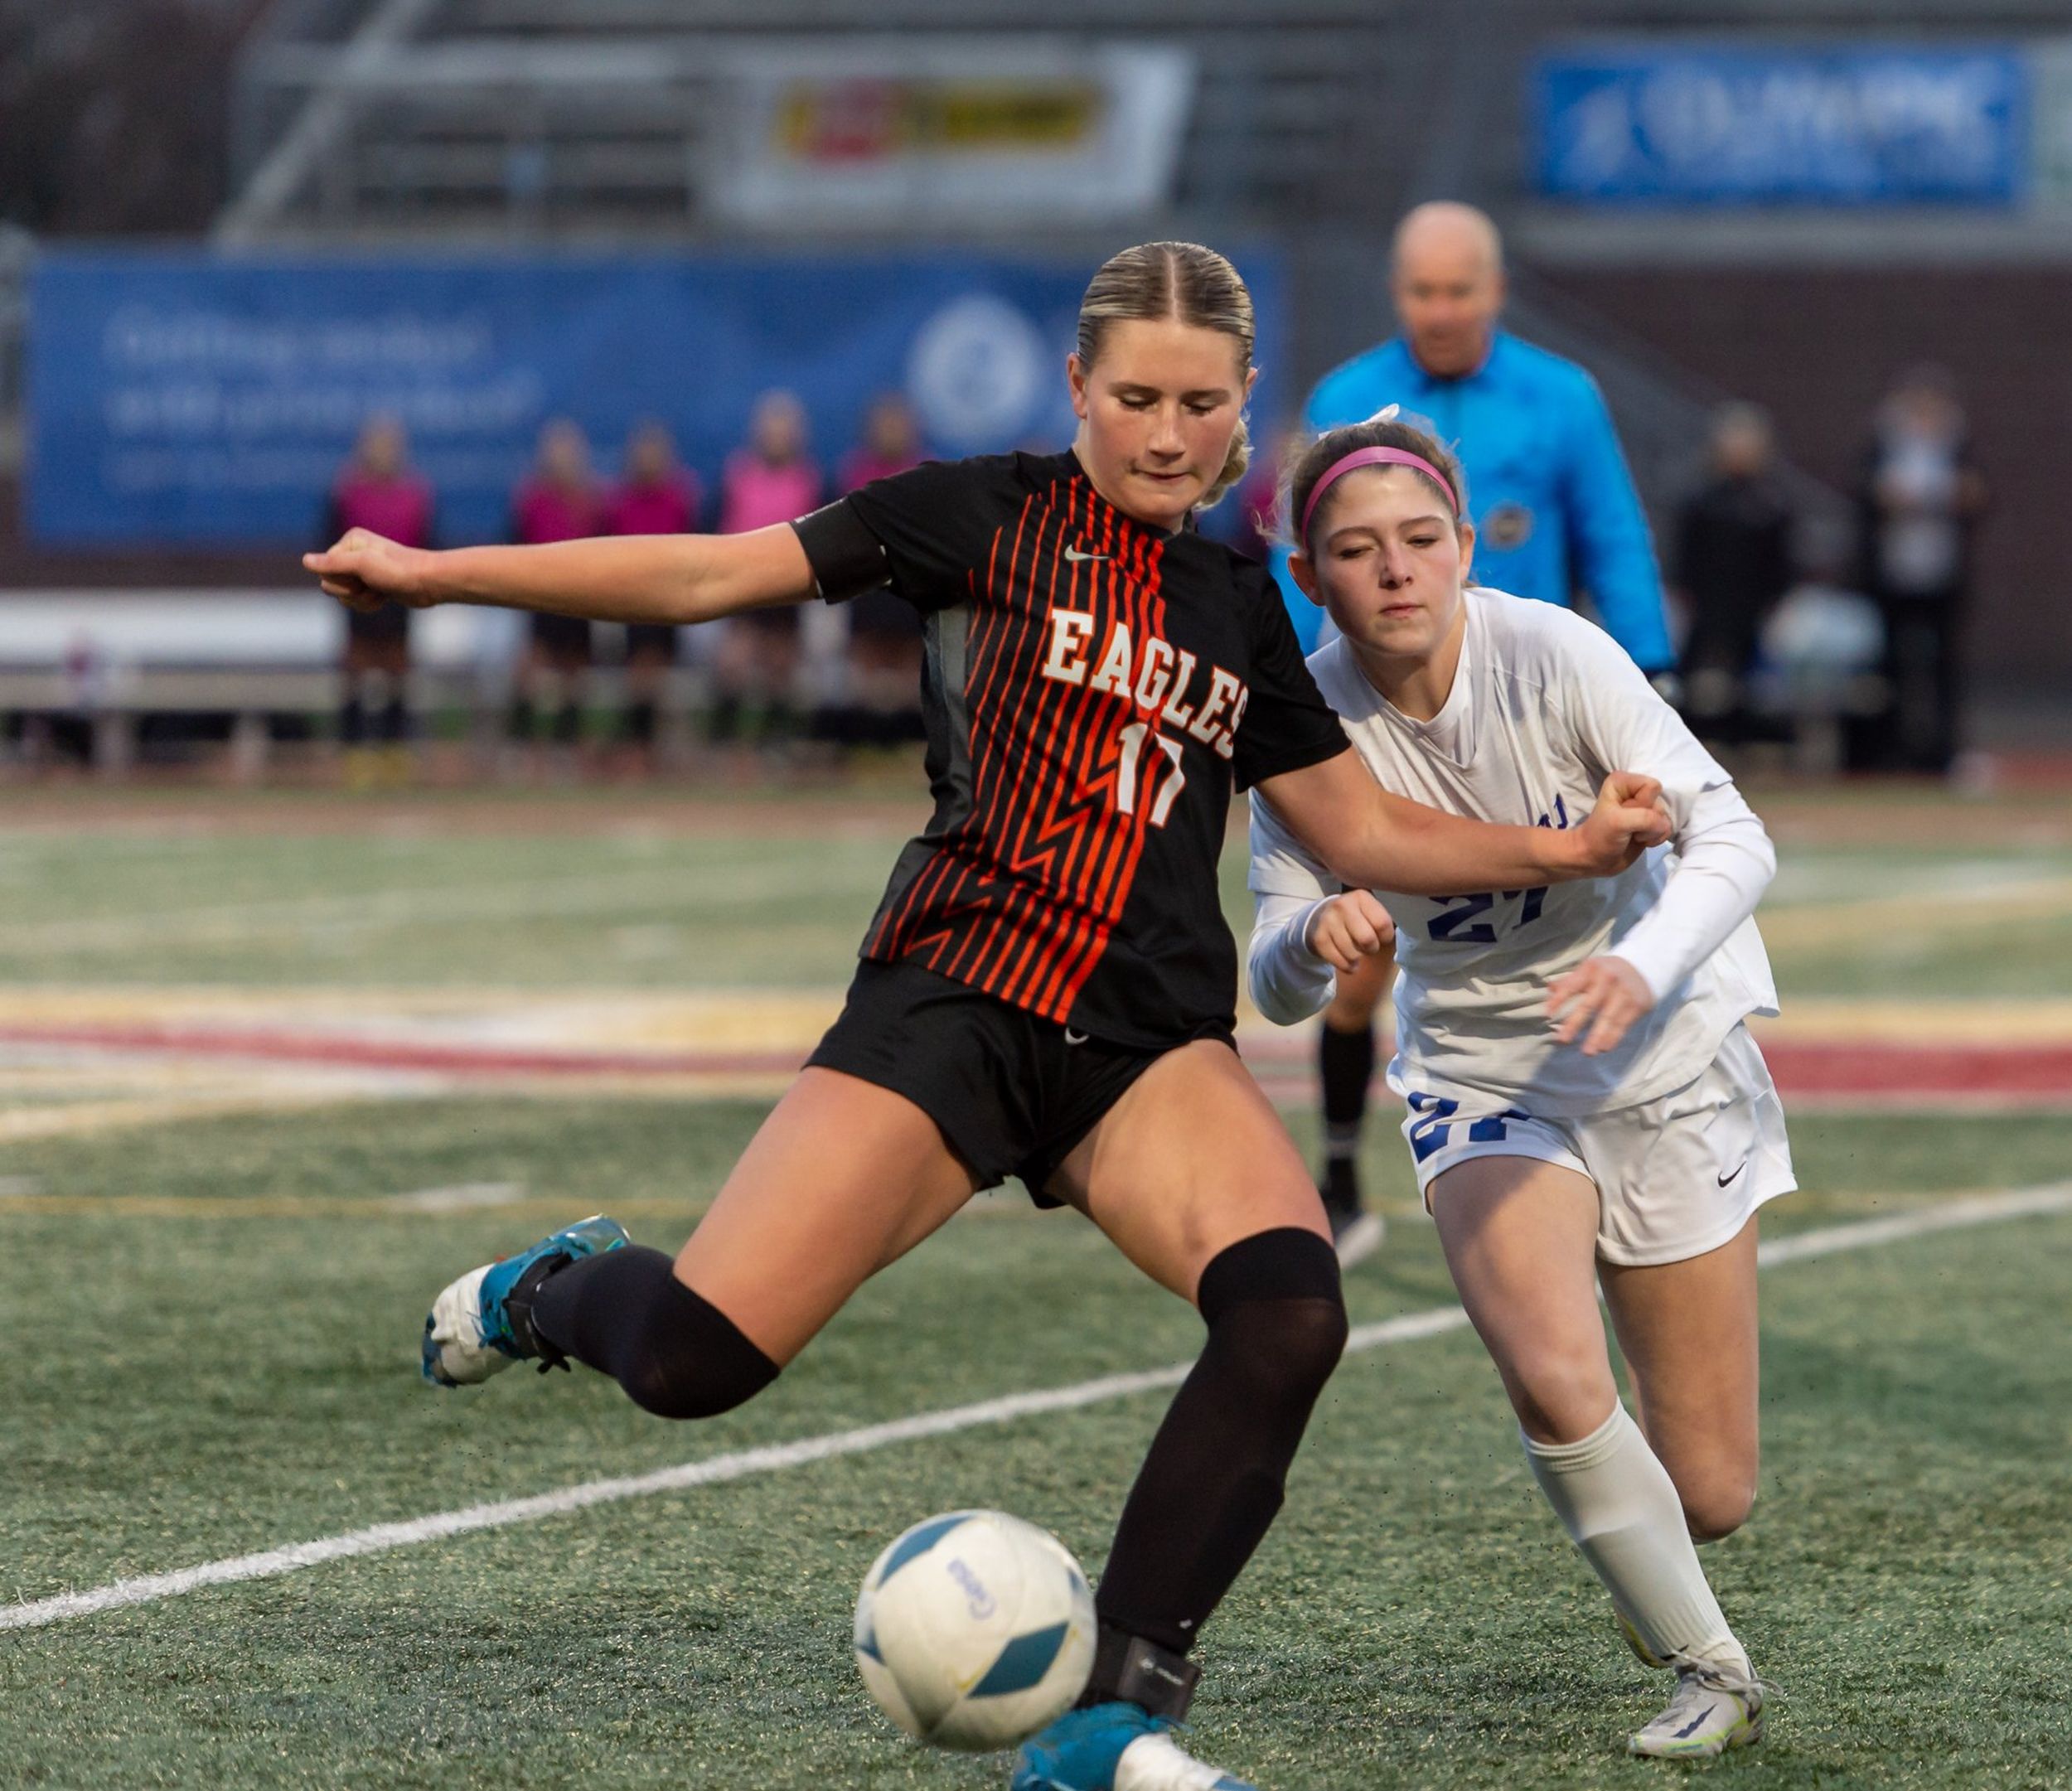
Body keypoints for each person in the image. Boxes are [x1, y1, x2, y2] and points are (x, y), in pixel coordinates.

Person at [307, 241, 1669, 1791]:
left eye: (1203, 404)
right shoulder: (980, 512)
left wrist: (1572, 846)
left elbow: (1363, 832)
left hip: (1147, 1045)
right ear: (1079, 388)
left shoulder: (1240, 598)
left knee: (1291, 1311)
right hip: (954, 1001)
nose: (1168, 432)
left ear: (1247, 413)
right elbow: (702, 574)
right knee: (695, 1360)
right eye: (1138, 396)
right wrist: (429, 575)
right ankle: (559, 1289)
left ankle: (1111, 1713)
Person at [1247, 413, 1787, 1761]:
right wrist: (1312, 944)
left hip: (1660, 1060)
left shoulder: (1555, 652)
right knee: (1554, 1377)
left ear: (1466, 542)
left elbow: (1736, 834)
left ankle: (1659, 1558)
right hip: (1485, 1073)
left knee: (1709, 1491)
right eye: (1357, 552)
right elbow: (1269, 967)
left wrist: (1646, 965)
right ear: (1312, 577)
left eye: (1421, 541)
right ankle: (1707, 1665)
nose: (1396, 572)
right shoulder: (1303, 722)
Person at [1282, 201, 1677, 1266]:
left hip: (1535, 725)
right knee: (1361, 950)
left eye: (1460, 290)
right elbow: (1302, 564)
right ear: (1396, 293)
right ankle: (1335, 1167)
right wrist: (1283, 709)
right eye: (1423, 291)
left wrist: (1648, 668)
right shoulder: (1344, 399)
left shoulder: (1562, 397)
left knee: (1573, 925)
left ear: (1493, 289)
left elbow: (1610, 530)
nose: (1442, 310)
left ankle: (1579, 1145)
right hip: (1379, 726)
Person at [1856, 365, 1987, 777]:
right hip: (1892, 576)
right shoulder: (1883, 446)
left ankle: (1942, 752)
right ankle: (1891, 751)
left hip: (1941, 574)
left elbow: (1979, 496)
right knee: (1890, 666)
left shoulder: (1957, 448)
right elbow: (1862, 495)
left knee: (1943, 666)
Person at [1673, 404, 1795, 749]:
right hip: (1709, 603)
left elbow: (1781, 560)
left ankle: (1753, 744)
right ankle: (1690, 742)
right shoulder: (1701, 501)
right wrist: (1687, 592)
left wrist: (1777, 600)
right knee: (1694, 676)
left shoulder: (1771, 504)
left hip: (1754, 606)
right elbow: (1688, 553)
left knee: (1755, 682)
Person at [324, 416, 433, 790]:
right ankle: (355, 755)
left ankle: (394, 753)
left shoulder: (415, 494)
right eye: (377, 444)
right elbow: (329, 541)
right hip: (358, 600)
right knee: (356, 677)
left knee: (397, 677)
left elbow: (427, 546)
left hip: (400, 601)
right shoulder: (347, 492)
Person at [711, 390, 823, 750]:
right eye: (770, 428)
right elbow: (721, 531)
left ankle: (778, 746)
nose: (776, 435)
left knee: (781, 672)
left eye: (784, 428)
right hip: (742, 588)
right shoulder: (738, 475)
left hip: (788, 590)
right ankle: (727, 747)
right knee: (732, 668)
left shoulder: (810, 480)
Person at [830, 394, 927, 752]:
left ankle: (913, 746)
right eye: (884, 425)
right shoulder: (852, 472)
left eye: (898, 425)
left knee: (913, 675)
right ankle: (863, 747)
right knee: (864, 677)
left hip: (910, 591)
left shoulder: (924, 473)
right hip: (866, 588)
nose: (891, 432)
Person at [508, 419, 608, 762]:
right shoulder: (531, 499)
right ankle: (521, 748)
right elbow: (516, 546)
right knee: (530, 674)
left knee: (573, 678)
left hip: (580, 601)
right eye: (556, 451)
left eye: (569, 452)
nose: (562, 459)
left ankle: (568, 748)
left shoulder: (592, 500)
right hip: (539, 600)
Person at [607, 422, 702, 767]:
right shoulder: (618, 502)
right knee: (640, 668)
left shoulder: (680, 497)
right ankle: (639, 746)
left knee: (656, 668)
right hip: (631, 605)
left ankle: (655, 746)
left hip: (673, 602)